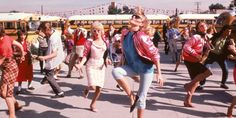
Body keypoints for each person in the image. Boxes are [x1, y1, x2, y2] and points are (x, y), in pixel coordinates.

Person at [112, 11, 164, 118]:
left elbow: (155, 54)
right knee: (116, 71)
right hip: (132, 67)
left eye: (137, 17)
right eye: (133, 16)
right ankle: (131, 97)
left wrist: (159, 73)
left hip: (145, 69)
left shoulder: (142, 37)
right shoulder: (125, 34)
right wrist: (121, 64)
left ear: (141, 24)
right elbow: (124, 53)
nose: (134, 17)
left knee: (141, 98)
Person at [75, 21, 111, 112]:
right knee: (93, 86)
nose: (96, 33)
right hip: (91, 65)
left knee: (99, 88)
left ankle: (93, 104)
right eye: (94, 31)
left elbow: (106, 52)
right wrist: (80, 64)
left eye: (98, 30)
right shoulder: (89, 42)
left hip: (100, 66)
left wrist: (107, 59)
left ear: (102, 31)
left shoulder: (105, 41)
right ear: (92, 31)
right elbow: (85, 55)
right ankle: (88, 88)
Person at [182, 21, 213, 107]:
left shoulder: (205, 37)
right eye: (201, 26)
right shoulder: (196, 36)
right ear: (198, 28)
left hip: (194, 60)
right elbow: (186, 47)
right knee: (208, 72)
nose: (203, 27)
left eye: (204, 25)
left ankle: (187, 101)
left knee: (196, 82)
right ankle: (188, 85)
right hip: (190, 60)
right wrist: (196, 55)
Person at [198, 25, 233, 90]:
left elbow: (230, 49)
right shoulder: (216, 35)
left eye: (230, 31)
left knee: (226, 70)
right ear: (223, 31)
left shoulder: (229, 40)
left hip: (221, 56)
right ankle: (202, 84)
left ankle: (223, 83)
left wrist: (230, 54)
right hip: (212, 55)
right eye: (228, 31)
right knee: (205, 68)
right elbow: (208, 41)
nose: (229, 33)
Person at [0, 28, 24, 118]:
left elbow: (1, 61)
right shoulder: (6, 37)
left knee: (6, 94)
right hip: (6, 69)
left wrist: (22, 55)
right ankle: (16, 105)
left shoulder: (3, 45)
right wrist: (22, 54)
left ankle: (12, 115)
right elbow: (19, 45)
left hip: (10, 69)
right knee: (2, 93)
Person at [37, 22, 65, 98]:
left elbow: (54, 54)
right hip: (55, 57)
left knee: (50, 76)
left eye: (42, 30)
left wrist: (43, 58)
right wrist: (45, 37)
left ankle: (59, 92)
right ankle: (45, 79)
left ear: (46, 30)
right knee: (48, 71)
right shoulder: (54, 32)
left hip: (53, 58)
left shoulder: (53, 39)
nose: (41, 32)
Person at [14, 30, 34, 94]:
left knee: (29, 72)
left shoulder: (27, 42)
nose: (23, 36)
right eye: (21, 35)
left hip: (28, 59)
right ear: (19, 35)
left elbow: (29, 51)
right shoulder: (16, 42)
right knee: (20, 74)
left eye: (24, 35)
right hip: (20, 60)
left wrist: (30, 54)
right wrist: (20, 53)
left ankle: (29, 85)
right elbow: (13, 52)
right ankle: (19, 87)